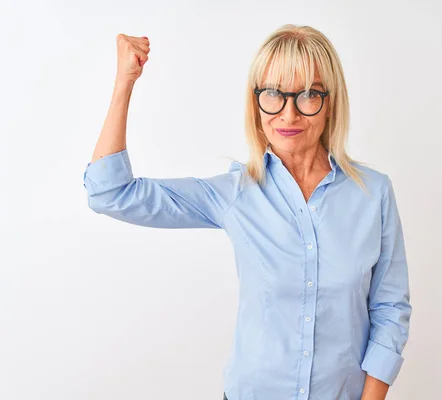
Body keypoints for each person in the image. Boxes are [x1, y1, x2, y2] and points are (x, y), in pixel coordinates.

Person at [83, 24, 411, 400]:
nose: (288, 114)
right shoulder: (235, 193)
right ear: (256, 102)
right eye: (273, 94)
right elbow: (109, 193)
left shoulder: (373, 193)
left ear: (330, 102)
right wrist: (125, 82)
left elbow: (390, 309)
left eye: (307, 95)